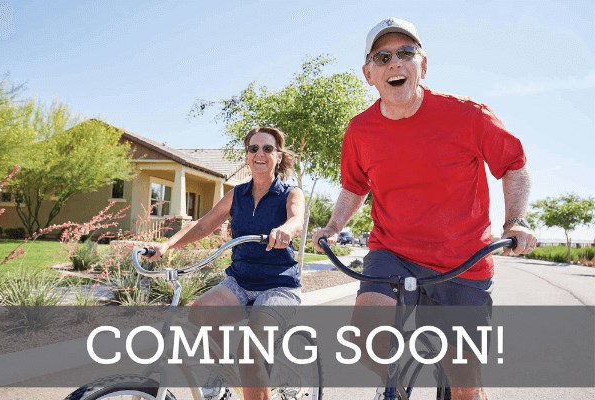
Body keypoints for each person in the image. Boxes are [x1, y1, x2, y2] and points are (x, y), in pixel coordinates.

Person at [312, 17, 537, 400]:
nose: (394, 63)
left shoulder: (468, 115)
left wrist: (515, 222)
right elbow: (354, 186)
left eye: (406, 53)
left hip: (464, 259)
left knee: (465, 385)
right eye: (382, 57)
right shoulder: (360, 130)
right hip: (393, 253)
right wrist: (333, 226)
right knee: (365, 339)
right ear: (369, 74)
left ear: (423, 64)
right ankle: (396, 389)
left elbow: (514, 166)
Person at [148, 126, 305, 400]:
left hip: (279, 285)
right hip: (240, 282)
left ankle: (256, 369)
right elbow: (202, 225)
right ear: (246, 155)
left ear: (278, 156)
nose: (260, 153)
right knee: (200, 314)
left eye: (268, 148)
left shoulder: (290, 193)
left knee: (249, 352)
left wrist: (286, 230)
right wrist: (167, 245)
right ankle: (220, 382)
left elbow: (296, 219)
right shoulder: (237, 195)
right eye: (253, 148)